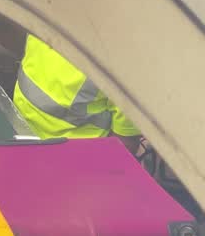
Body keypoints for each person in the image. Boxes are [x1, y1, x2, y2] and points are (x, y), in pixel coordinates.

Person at [12, 34, 141, 151]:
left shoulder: (49, 18)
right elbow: (124, 145)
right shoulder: (127, 64)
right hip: (75, 155)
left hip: (17, 124)